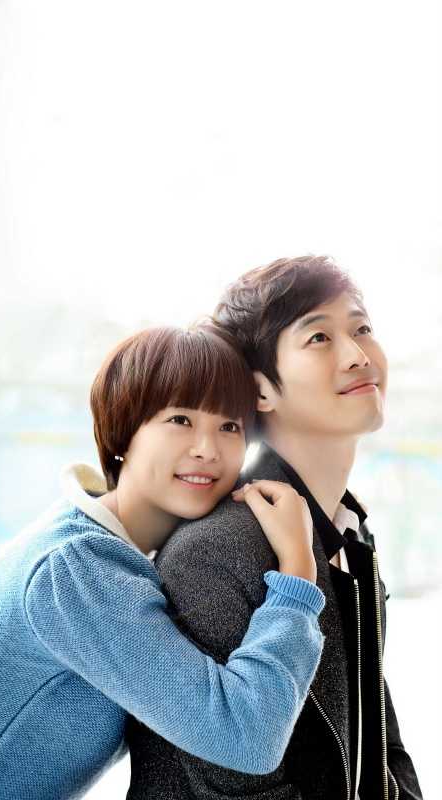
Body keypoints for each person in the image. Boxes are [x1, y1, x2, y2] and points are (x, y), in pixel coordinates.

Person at [0, 325, 326, 800]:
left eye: (229, 427)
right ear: (124, 433)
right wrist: (297, 572)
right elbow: (245, 736)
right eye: (180, 420)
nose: (207, 450)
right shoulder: (76, 569)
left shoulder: (113, 553)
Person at [125, 256, 423, 800]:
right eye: (319, 338)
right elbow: (237, 786)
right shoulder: (213, 552)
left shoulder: (351, 534)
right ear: (261, 391)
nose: (358, 356)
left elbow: (380, 743)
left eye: (361, 328)